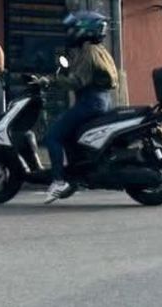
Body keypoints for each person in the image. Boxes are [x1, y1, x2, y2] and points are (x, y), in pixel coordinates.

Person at [45, 11, 119, 203]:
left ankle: (58, 181)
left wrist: (51, 80)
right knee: (69, 136)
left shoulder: (88, 51)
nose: (69, 32)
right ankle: (74, 175)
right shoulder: (100, 49)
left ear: (84, 31)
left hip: (90, 102)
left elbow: (77, 81)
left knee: (53, 136)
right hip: (101, 101)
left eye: (72, 29)